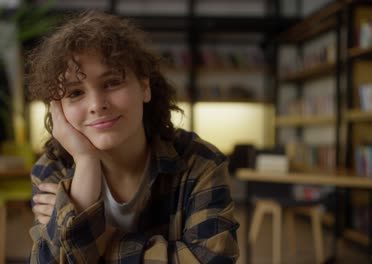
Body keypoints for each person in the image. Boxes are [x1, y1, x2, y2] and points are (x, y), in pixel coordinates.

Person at [27, 10, 239, 263]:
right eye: (74, 93)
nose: (96, 104)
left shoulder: (201, 162)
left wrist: (101, 236)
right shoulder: (53, 169)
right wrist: (85, 160)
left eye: (112, 82)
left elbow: (212, 260)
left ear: (144, 87)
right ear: (57, 108)